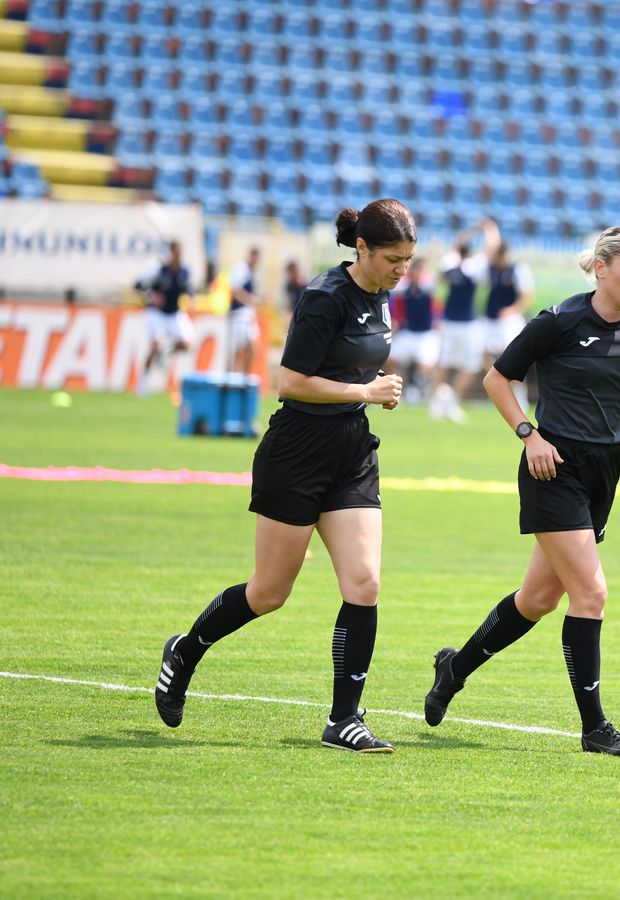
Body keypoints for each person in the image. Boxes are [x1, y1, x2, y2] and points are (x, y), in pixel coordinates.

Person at [153, 199, 416, 753]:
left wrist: (370, 391)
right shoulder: (324, 297)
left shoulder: (382, 293)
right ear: (362, 248)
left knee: (364, 583)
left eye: (408, 259)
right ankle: (186, 650)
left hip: (351, 451)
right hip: (296, 452)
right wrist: (364, 390)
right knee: (270, 592)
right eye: (394, 258)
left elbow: (352, 366)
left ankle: (344, 719)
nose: (402, 269)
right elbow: (290, 382)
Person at [423, 225, 620, 757]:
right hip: (551, 465)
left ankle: (455, 667)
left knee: (538, 598)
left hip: (604, 468)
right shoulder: (558, 321)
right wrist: (528, 435)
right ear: (601, 268)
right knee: (592, 594)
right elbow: (497, 379)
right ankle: (595, 729)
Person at [430, 217, 501, 423]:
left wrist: (472, 230)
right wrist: (489, 228)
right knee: (466, 365)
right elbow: (492, 249)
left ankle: (441, 403)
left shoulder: (450, 263)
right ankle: (447, 402)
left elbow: (457, 244)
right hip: (464, 324)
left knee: (445, 364)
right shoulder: (473, 267)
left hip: (451, 322)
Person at [482, 240, 536, 411]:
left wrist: (512, 310)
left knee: (513, 358)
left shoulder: (518, 270)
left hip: (509, 321)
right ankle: (498, 393)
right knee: (485, 355)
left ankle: (520, 396)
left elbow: (527, 296)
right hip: (490, 320)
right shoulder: (489, 270)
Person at [138, 240, 194, 397]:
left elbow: (188, 289)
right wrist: (151, 296)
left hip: (174, 313)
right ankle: (142, 381)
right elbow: (138, 286)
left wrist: (190, 297)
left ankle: (165, 351)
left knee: (187, 343)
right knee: (155, 344)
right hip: (157, 313)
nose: (177, 256)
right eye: (175, 252)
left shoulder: (184, 271)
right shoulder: (158, 270)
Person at [386, 255, 439, 404]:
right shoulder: (404, 287)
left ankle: (423, 391)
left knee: (426, 366)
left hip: (425, 334)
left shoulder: (428, 286)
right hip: (408, 333)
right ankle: (397, 391)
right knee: (389, 359)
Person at [228, 247, 264, 375]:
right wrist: (252, 300)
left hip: (248, 314)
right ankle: (234, 380)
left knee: (253, 349)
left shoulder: (251, 272)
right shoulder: (240, 268)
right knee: (237, 350)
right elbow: (236, 292)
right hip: (238, 314)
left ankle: (244, 379)